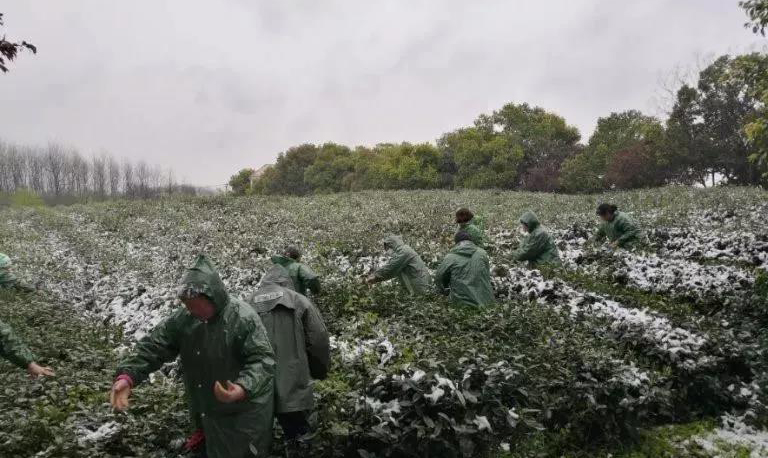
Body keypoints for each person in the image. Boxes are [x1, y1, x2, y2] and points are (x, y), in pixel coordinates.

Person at [111, 255, 275, 458]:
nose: (192, 310)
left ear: (213, 298)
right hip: (207, 412)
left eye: (196, 305)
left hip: (244, 416)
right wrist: (128, 376)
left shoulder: (242, 318)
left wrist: (242, 388)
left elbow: (262, 360)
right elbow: (155, 345)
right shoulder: (185, 319)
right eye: (188, 305)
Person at [249, 265, 330, 456]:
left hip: (255, 386)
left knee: (257, 443)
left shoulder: (246, 305)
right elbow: (319, 340)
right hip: (293, 384)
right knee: (299, 436)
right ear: (286, 283)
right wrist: (319, 371)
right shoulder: (299, 301)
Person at [435, 232, 494, 306]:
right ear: (471, 241)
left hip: (461, 304)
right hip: (486, 303)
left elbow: (439, 278)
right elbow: (487, 274)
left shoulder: (450, 257)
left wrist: (444, 290)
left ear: (456, 243)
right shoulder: (482, 253)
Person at [366, 235, 431, 295]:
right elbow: (392, 268)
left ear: (392, 245)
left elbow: (391, 268)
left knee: (420, 299)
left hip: (420, 284)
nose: (387, 251)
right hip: (419, 283)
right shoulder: (402, 251)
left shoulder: (404, 252)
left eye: (387, 249)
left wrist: (375, 277)